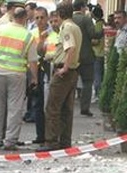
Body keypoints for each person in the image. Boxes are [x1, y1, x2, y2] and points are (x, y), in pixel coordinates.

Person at [0, 7, 38, 151]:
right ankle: (10, 141)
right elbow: (33, 61)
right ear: (24, 18)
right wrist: (34, 78)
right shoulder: (27, 36)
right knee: (15, 108)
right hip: (17, 75)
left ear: (12, 16)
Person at [37, 2, 82, 153]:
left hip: (64, 71)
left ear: (61, 14)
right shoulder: (76, 27)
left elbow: (70, 47)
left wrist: (64, 67)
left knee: (53, 107)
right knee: (66, 109)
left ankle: (51, 141)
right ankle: (65, 140)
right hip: (73, 71)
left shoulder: (66, 28)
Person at [72, 0, 103, 117]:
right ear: (82, 7)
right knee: (87, 82)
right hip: (86, 56)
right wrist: (103, 31)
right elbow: (93, 34)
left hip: (72, 55)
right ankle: (84, 108)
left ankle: (68, 105)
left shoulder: (69, 19)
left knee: (70, 82)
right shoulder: (86, 19)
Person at [30, 6, 50, 144]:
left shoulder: (53, 33)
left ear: (47, 18)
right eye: (37, 18)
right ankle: (40, 135)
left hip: (48, 70)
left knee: (48, 105)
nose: (39, 20)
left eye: (42, 17)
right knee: (37, 104)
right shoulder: (31, 33)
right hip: (34, 70)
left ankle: (49, 135)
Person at [91, 5, 105, 101]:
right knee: (100, 75)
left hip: (97, 53)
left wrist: (88, 41)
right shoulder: (103, 24)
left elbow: (96, 41)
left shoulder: (97, 26)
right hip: (102, 53)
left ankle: (97, 95)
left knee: (97, 75)